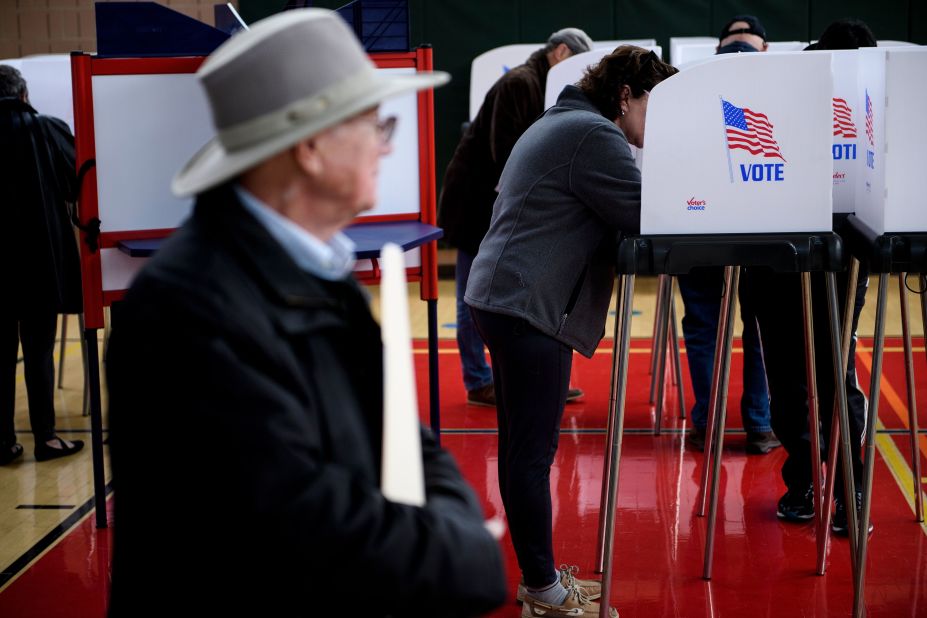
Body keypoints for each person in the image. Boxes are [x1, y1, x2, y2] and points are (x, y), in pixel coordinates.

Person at [105, 10, 506, 617]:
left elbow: (400, 432)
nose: (385, 143)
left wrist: (449, 523)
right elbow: (300, 527)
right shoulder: (186, 312)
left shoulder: (312, 271)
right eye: (374, 124)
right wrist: (463, 554)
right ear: (312, 148)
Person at [466, 46, 677, 617]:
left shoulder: (563, 122)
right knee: (531, 455)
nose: (658, 125)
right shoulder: (593, 136)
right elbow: (645, 216)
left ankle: (538, 580)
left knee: (521, 451)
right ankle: (543, 592)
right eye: (655, 107)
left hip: (504, 296)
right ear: (625, 95)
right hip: (526, 304)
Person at [745, 19, 876, 535]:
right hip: (783, 253)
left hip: (823, 255)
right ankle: (818, 481)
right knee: (807, 374)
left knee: (816, 373)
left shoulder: (858, 101)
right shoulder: (786, 89)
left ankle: (840, 485)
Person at [438, 28, 593, 407]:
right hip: (477, 207)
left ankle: (521, 378)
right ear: (559, 52)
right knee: (471, 296)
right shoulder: (520, 83)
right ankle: (478, 380)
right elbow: (503, 154)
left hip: (497, 205)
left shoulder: (538, 83)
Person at [678, 14, 781, 455]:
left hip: (697, 222)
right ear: (765, 49)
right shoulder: (780, 86)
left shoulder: (686, 87)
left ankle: (707, 422)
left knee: (704, 324)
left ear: (717, 48)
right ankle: (759, 424)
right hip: (762, 221)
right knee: (760, 327)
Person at [0, 65, 84, 465]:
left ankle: (2, 443)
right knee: (38, 351)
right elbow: (77, 184)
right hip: (40, 259)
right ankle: (46, 438)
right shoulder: (47, 129)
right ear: (23, 95)